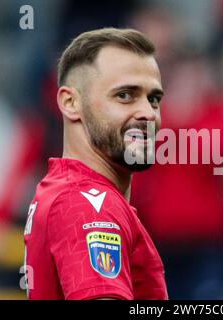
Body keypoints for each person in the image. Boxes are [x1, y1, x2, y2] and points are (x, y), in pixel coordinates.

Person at [23, 28, 168, 300]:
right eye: (125, 95)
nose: (148, 113)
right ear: (70, 103)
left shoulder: (63, 191)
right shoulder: (88, 204)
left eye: (154, 99)